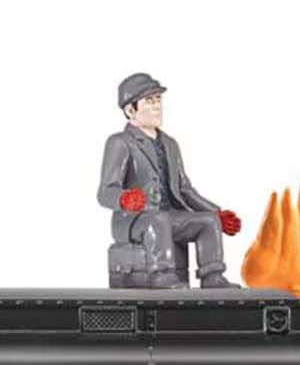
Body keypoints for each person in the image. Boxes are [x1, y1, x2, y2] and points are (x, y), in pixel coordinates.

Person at [97, 73, 241, 289]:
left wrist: (216, 213)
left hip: (169, 217)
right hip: (136, 220)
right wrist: (124, 199)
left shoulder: (170, 144)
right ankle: (161, 274)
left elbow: (185, 190)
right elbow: (105, 192)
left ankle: (212, 276)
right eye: (149, 101)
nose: (157, 106)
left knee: (208, 222)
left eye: (158, 100)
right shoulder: (119, 142)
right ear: (130, 110)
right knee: (158, 220)